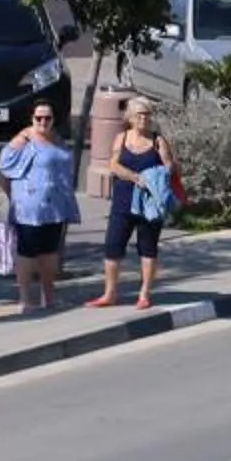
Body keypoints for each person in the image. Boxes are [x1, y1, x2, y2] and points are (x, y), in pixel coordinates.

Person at [89, 97, 178, 309]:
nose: (143, 118)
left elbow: (169, 168)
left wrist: (155, 175)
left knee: (147, 248)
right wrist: (133, 176)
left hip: (149, 204)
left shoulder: (158, 141)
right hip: (123, 201)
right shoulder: (121, 139)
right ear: (129, 117)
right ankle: (109, 293)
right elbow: (113, 164)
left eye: (147, 114)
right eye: (139, 114)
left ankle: (144, 294)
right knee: (113, 246)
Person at [0, 103, 77, 316]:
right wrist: (15, 197)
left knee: (50, 253)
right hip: (30, 208)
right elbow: (4, 169)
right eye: (38, 118)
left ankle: (48, 297)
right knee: (27, 253)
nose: (43, 122)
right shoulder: (24, 141)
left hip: (55, 207)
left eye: (47, 118)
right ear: (31, 118)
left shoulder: (57, 139)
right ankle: (25, 299)